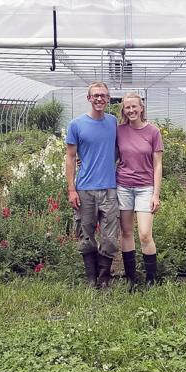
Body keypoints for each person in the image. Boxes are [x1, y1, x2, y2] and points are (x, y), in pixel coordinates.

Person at [66, 82, 119, 288]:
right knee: (85, 235)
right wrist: (71, 189)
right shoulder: (76, 124)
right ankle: (91, 278)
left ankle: (104, 278)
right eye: (95, 95)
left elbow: (118, 148)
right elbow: (70, 157)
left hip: (109, 189)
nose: (99, 99)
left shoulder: (113, 122)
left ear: (108, 99)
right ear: (89, 98)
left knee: (110, 238)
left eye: (103, 96)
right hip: (85, 189)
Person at [116, 92, 163, 288]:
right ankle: (131, 279)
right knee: (126, 233)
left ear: (141, 108)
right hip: (123, 186)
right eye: (127, 107)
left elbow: (158, 165)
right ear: (124, 110)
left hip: (145, 188)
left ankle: (151, 279)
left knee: (144, 234)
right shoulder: (118, 130)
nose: (131, 110)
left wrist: (156, 195)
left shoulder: (153, 132)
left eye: (134, 106)